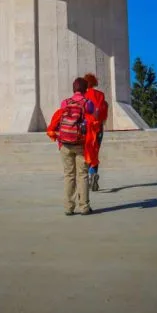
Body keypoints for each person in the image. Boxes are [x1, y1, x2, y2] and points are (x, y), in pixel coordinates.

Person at [47, 78, 95, 215]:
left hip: (65, 144)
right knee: (83, 175)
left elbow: (59, 119)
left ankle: (69, 208)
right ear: (85, 89)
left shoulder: (65, 103)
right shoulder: (88, 103)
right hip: (80, 144)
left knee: (69, 175)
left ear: (73, 89)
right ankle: (84, 207)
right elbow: (93, 120)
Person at [83, 72, 109, 191]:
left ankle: (88, 175)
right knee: (95, 150)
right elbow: (104, 111)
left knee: (86, 151)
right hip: (98, 127)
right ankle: (93, 173)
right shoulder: (100, 95)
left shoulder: (83, 95)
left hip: (86, 128)